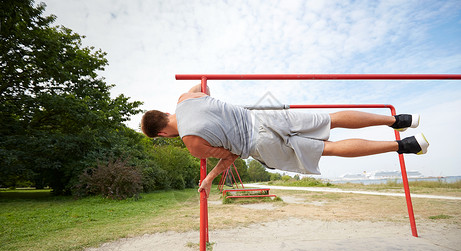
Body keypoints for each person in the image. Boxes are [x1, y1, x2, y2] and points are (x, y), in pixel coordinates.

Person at [141, 84, 429, 198]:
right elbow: (201, 86)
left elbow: (231, 156)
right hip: (264, 116)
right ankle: (399, 120)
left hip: (260, 144)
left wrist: (210, 178)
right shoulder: (185, 99)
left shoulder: (191, 143)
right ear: (166, 112)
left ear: (163, 134)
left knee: (328, 150)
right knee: (332, 119)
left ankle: (406, 146)